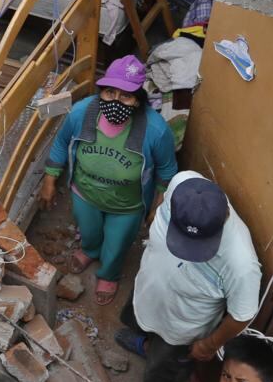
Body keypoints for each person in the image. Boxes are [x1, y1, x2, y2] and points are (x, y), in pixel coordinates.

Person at [115, 170, 260, 382]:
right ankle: (146, 345)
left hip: (181, 326)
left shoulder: (241, 263)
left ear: (225, 216)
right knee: (138, 319)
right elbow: (162, 200)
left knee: (166, 365)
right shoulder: (183, 183)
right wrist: (155, 214)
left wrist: (208, 344)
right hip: (149, 289)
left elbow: (241, 315)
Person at [38, 55, 177, 304]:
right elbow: (60, 143)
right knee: (89, 232)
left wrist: (157, 207)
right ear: (101, 91)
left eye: (126, 96)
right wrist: (50, 180)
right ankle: (90, 250)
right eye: (110, 92)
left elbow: (167, 172)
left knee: (116, 245)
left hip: (127, 206)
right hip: (84, 194)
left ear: (138, 100)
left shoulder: (155, 130)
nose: (116, 101)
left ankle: (109, 274)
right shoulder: (82, 113)